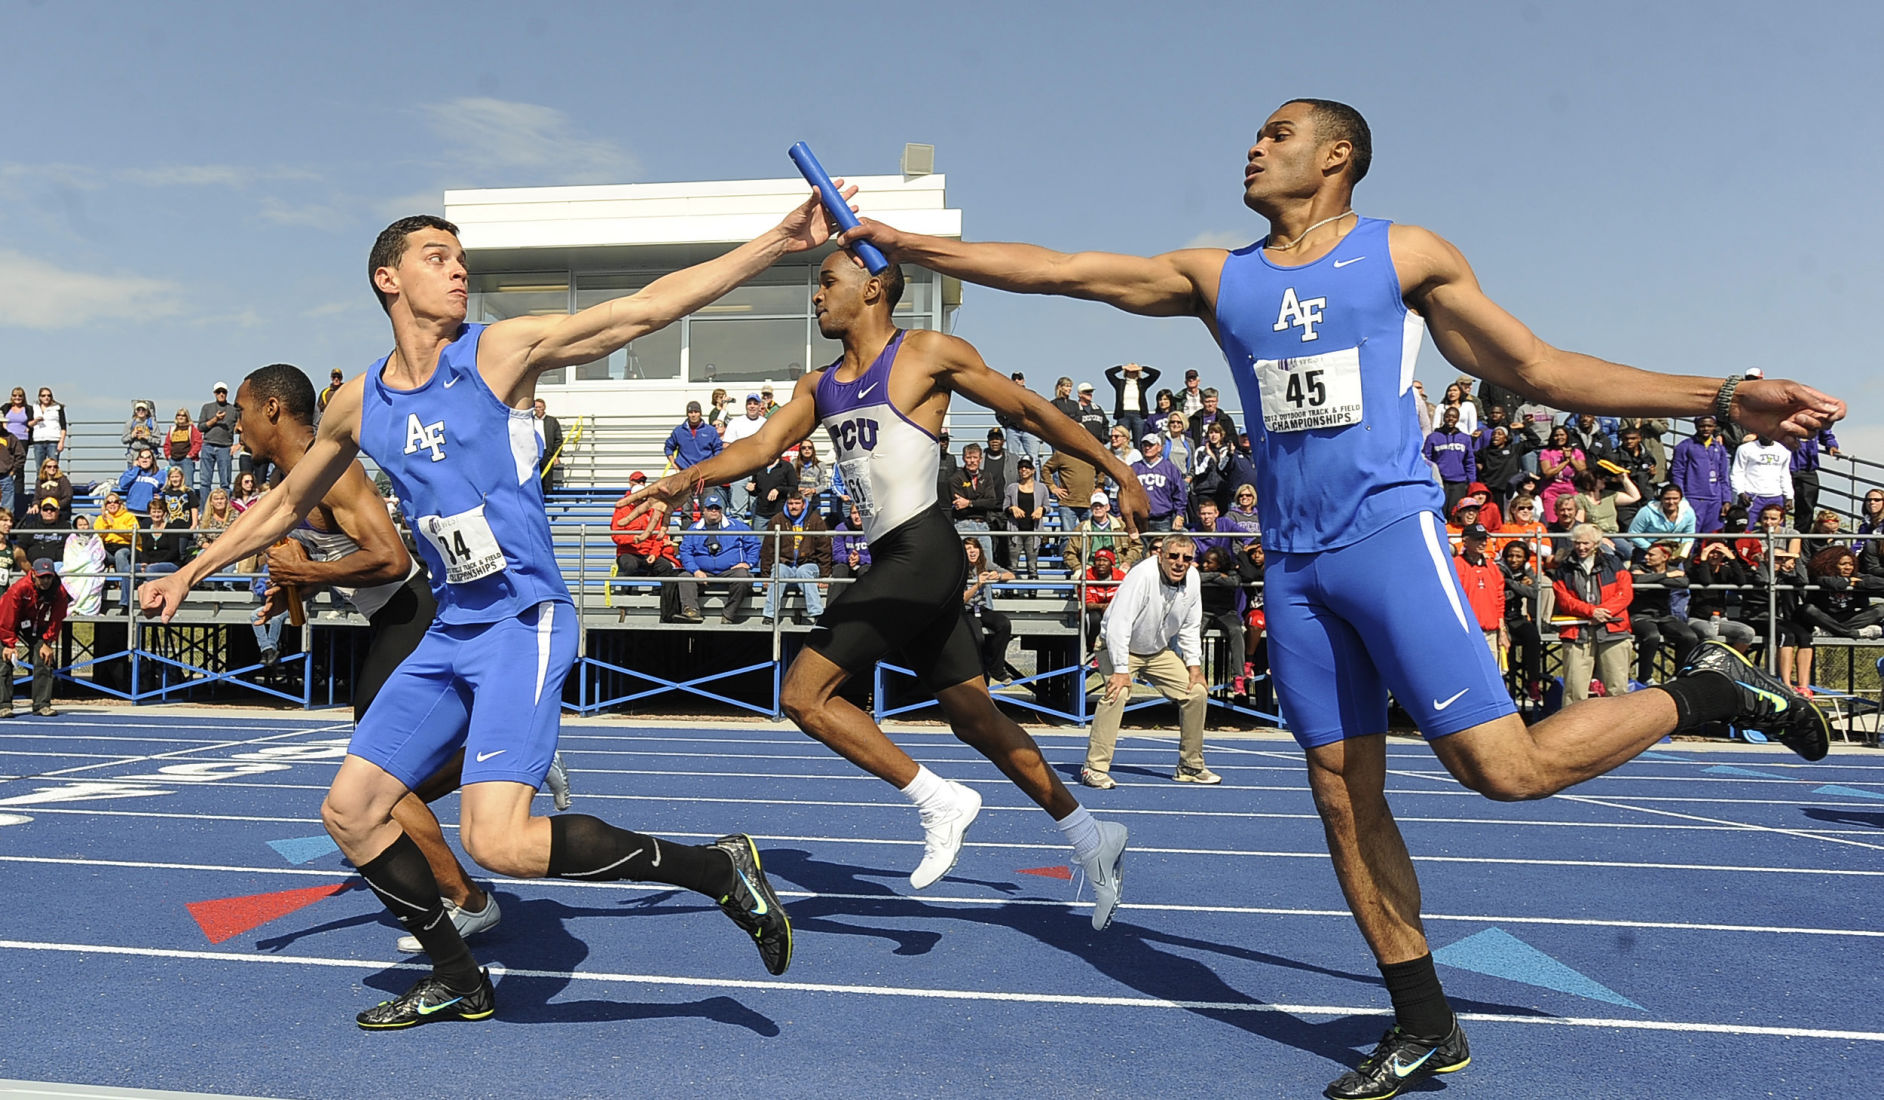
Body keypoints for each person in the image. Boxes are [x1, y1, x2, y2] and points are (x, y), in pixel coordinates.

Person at [841, 97, 1843, 1098]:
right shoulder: (1216, 274)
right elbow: (1060, 270)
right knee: (1338, 794)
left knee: (1506, 769)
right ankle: (1424, 1023)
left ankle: (1711, 689)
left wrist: (1717, 395)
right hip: (1294, 562)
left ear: (1337, 155)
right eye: (1254, 132)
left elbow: (1538, 367)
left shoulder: (1403, 254)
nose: (1253, 143)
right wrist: (900, 242)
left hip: (1388, 540)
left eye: (1276, 134)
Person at [141, 204, 830, 1027]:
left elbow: (643, 310)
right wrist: (190, 569)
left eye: (461, 257)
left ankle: (715, 869)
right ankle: (460, 977)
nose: (459, 270)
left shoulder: (497, 354)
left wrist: (775, 246)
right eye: (438, 256)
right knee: (350, 812)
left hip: (523, 621)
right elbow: (288, 499)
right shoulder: (359, 401)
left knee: (498, 843)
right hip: (450, 628)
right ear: (388, 279)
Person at [630, 246, 1146, 930]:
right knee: (972, 716)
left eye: (826, 282)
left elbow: (1026, 409)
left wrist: (1117, 468)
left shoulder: (926, 352)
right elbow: (757, 449)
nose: (816, 296)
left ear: (874, 289)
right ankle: (1089, 834)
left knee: (803, 695)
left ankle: (937, 799)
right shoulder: (818, 386)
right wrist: (677, 481)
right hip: (896, 559)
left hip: (925, 550)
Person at [235, 362, 558, 953]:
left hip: (412, 612)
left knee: (382, 777)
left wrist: (304, 570)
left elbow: (388, 558)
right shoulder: (293, 476)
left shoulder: (331, 473)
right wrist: (296, 592)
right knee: (381, 782)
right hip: (390, 618)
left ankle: (468, 901)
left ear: (273, 410)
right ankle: (499, 755)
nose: (237, 426)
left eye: (242, 411)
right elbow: (340, 561)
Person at [1080, 534, 1214, 789]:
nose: (1179, 563)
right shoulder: (1141, 576)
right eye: (1173, 556)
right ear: (1160, 555)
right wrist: (1120, 670)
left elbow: (1190, 625)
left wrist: (1194, 667)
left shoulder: (1193, 579)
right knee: (1117, 693)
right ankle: (1094, 768)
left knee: (1196, 692)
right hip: (1117, 646)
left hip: (1156, 651)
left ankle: (1190, 766)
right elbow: (1119, 624)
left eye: (1186, 558)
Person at [610, 472, 683, 620]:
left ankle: (667, 611)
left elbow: (658, 536)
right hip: (628, 551)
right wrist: (634, 539)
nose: (641, 501)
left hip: (648, 552)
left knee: (666, 568)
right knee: (629, 564)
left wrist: (654, 554)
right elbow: (615, 535)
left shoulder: (653, 509)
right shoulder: (622, 510)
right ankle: (626, 596)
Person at [677, 492, 759, 623]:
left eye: (717, 508)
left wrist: (748, 563)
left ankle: (729, 614)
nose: (714, 511)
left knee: (743, 577)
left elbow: (754, 545)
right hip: (703, 572)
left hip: (730, 571)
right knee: (684, 577)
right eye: (710, 508)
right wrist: (695, 571)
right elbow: (685, 551)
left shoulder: (737, 526)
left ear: (721, 510)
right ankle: (691, 612)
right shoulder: (694, 529)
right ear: (704, 510)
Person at [0, 558, 66, 717]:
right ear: (33, 574)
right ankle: (4, 705)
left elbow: (57, 618)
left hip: (35, 623)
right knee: (4, 659)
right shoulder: (19, 589)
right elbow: (6, 617)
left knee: (45, 657)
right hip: (10, 623)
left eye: (49, 577)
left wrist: (48, 642)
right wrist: (9, 644)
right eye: (42, 577)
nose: (45, 581)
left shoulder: (59, 591)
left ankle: (42, 704)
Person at [1628, 542, 1698, 682]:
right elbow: (1637, 580)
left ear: (1664, 557)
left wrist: (1653, 578)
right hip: (1640, 615)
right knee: (1652, 636)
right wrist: (1668, 576)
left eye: (1651, 555)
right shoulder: (1637, 567)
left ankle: (1679, 676)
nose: (1646, 557)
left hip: (1663, 616)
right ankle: (1645, 678)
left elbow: (1683, 583)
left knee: (1689, 637)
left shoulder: (1673, 569)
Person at [760, 491, 829, 624]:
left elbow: (824, 549)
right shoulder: (777, 520)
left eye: (797, 503)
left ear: (803, 505)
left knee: (804, 572)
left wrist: (824, 575)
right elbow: (768, 549)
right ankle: (769, 615)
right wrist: (765, 575)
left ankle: (817, 613)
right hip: (785, 564)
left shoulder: (815, 520)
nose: (794, 506)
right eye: (791, 503)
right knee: (778, 572)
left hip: (808, 563)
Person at [1797, 545, 1884, 640]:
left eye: (1851, 564)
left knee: (1880, 609)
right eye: (1843, 564)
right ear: (1831, 564)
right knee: (1808, 609)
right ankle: (1852, 633)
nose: (1848, 568)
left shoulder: (1856, 576)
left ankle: (1831, 632)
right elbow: (1834, 583)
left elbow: (1877, 582)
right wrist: (1849, 582)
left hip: (1847, 619)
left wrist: (1860, 583)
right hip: (1824, 619)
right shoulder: (1819, 577)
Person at [960, 538, 1015, 682]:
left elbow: (1011, 575)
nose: (972, 552)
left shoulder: (984, 563)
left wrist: (998, 576)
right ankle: (977, 672)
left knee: (1004, 624)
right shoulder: (959, 568)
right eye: (967, 549)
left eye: (974, 548)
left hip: (981, 608)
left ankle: (996, 669)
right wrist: (978, 584)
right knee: (978, 637)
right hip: (965, 610)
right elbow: (962, 599)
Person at [1670, 415, 1732, 533]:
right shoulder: (1684, 446)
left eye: (1709, 426)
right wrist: (1681, 498)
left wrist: (1726, 500)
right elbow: (1677, 474)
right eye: (1702, 426)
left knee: (1712, 537)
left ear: (1714, 427)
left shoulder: (1719, 448)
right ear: (1696, 426)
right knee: (1690, 535)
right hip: (1693, 497)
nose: (1706, 429)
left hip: (1715, 499)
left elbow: (1724, 476)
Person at [1132, 432, 1188, 537]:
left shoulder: (1170, 468)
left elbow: (1180, 493)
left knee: (1161, 550)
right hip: (1139, 520)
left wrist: (1180, 515)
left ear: (1159, 448)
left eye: (1151, 445)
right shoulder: (1134, 468)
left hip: (1163, 519)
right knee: (1142, 551)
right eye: (1145, 445)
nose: (1147, 448)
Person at [1423, 405, 1476, 513]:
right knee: (1439, 511)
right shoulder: (1433, 437)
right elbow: (1426, 460)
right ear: (1443, 417)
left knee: (1455, 513)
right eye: (1448, 416)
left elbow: (1469, 462)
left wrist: (1472, 482)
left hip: (1459, 482)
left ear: (1458, 419)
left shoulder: (1465, 438)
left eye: (1453, 417)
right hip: (1439, 481)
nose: (1450, 419)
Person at [1003, 456, 1050, 579]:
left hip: (1033, 531)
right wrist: (1012, 508)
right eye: (1021, 467)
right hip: (1015, 530)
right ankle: (1009, 591)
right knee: (1012, 565)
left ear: (1033, 470)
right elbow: (1005, 507)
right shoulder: (1012, 487)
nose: (1023, 469)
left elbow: (1047, 506)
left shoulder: (1041, 488)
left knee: (1032, 565)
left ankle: (1032, 591)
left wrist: (1041, 509)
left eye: (1027, 467)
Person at [1731, 431, 1793, 522]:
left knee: (1775, 532)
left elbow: (1785, 475)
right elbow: (1737, 472)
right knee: (1746, 529)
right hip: (1752, 496)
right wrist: (1740, 492)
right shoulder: (1745, 449)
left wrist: (1789, 497)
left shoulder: (1784, 451)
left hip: (1775, 497)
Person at [1626, 483, 1697, 559]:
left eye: (1675, 498)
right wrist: (1652, 549)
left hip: (1673, 553)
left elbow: (1689, 535)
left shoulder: (1688, 512)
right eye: (1667, 498)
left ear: (1681, 499)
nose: (1671, 502)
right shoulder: (1646, 511)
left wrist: (1681, 552)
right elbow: (1633, 534)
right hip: (1646, 551)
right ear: (1661, 498)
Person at [1790, 427, 1840, 530]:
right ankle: (1776, 540)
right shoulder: (1783, 412)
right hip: (1782, 468)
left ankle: (1800, 540)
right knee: (1777, 507)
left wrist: (1832, 446)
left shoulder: (1816, 416)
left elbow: (1826, 435)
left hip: (1808, 470)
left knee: (1807, 508)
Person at [1104, 361, 1161, 444]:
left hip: (1138, 415)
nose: (1132, 373)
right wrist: (1123, 367)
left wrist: (1141, 368)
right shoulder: (1120, 384)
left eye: (1134, 371)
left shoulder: (1142, 383)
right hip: (1123, 415)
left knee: (1139, 442)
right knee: (1121, 441)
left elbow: (1156, 373)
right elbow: (1108, 373)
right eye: (1130, 371)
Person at [60, 516, 108, 616]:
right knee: (68, 576)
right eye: (80, 525)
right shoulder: (71, 538)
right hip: (74, 568)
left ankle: (87, 609)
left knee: (92, 579)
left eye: (85, 525)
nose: (83, 527)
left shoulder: (96, 538)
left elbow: (99, 555)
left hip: (92, 567)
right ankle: (75, 606)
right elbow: (69, 555)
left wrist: (87, 561)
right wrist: (80, 564)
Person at [198, 382, 236, 495]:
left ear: (227, 393)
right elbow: (200, 427)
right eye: (218, 392)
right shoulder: (207, 407)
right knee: (205, 482)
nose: (221, 394)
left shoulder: (233, 410)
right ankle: (204, 510)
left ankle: (226, 510)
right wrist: (215, 419)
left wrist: (239, 444)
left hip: (225, 448)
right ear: (214, 393)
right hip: (208, 445)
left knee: (225, 482)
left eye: (223, 392)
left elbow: (242, 427)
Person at [15, 498, 66, 565]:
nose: (49, 511)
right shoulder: (32, 527)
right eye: (45, 509)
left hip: (57, 566)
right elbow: (21, 547)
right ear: (41, 511)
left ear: (58, 511)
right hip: (33, 566)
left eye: (52, 509)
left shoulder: (66, 527)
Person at [29, 387, 66, 474]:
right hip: (38, 441)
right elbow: (29, 424)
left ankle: (54, 486)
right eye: (43, 395)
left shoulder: (58, 408)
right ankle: (40, 487)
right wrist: (36, 421)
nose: (46, 397)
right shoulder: (34, 408)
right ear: (39, 397)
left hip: (53, 440)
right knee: (40, 468)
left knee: (53, 467)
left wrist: (61, 442)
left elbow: (63, 426)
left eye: (49, 395)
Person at [116, 449, 164, 516]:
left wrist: (162, 496)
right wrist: (135, 469)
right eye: (142, 457)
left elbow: (168, 489)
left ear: (152, 460)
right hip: (131, 513)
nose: (144, 460)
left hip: (150, 514)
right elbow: (123, 484)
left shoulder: (160, 474)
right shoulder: (131, 472)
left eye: (148, 457)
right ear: (138, 460)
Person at [532, 398, 563, 493]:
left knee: (548, 478)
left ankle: (548, 500)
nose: (538, 409)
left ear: (544, 407)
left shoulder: (552, 421)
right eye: (536, 407)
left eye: (540, 407)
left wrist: (556, 455)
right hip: (533, 453)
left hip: (547, 453)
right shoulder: (529, 421)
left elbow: (558, 439)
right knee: (534, 477)